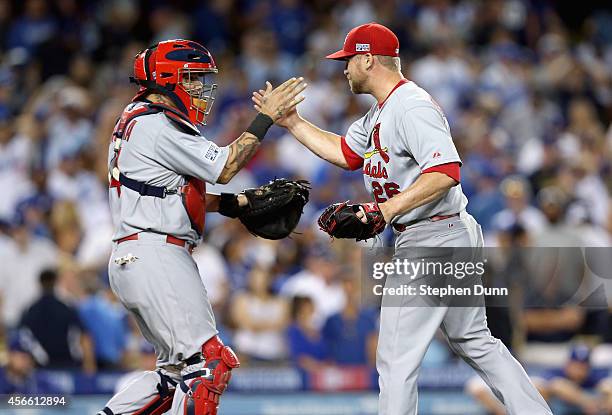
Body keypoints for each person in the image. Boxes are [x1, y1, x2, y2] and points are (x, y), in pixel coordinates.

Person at [254, 22, 552, 415]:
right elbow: (346, 153)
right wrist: (293, 123)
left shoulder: (411, 105)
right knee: (474, 340)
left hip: (431, 237)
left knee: (395, 357)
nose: (343, 69)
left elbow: (446, 171)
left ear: (367, 59)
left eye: (348, 61)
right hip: (444, 233)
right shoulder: (383, 110)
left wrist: (386, 209)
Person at [99, 39, 305, 415]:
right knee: (210, 366)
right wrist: (267, 119)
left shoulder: (136, 119)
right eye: (192, 79)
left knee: (173, 376)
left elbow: (169, 192)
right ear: (166, 78)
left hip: (136, 254)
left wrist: (234, 203)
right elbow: (224, 166)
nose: (201, 88)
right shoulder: (157, 123)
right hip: (158, 253)